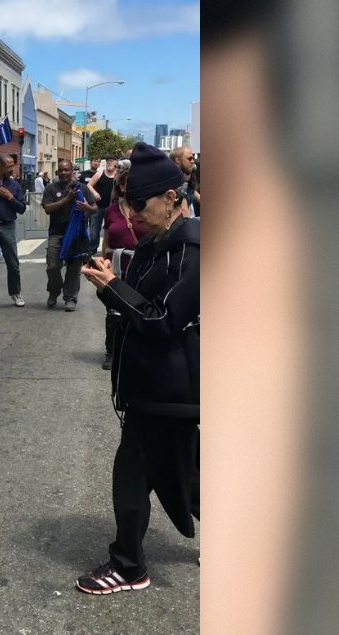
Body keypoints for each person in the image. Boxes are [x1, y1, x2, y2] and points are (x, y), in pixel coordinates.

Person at [77, 142, 199, 595]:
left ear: (172, 197)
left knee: (134, 474)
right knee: (185, 474)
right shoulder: (157, 244)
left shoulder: (193, 250)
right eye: (126, 204)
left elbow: (162, 320)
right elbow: (139, 306)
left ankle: (128, 565)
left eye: (139, 204)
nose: (131, 214)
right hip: (153, 386)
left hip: (170, 390)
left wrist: (112, 289)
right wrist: (112, 280)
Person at [97, 162, 150, 370]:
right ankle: (112, 351)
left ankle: (135, 348)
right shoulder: (111, 211)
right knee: (113, 310)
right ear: (120, 187)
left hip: (141, 266)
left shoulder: (145, 208)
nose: (131, 187)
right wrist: (102, 264)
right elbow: (107, 239)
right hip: (117, 266)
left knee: (138, 307)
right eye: (127, 184)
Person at [41, 159, 98, 311]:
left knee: (73, 268)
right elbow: (47, 208)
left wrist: (87, 207)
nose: (64, 173)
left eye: (67, 170)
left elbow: (95, 208)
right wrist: (66, 199)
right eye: (61, 170)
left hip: (76, 235)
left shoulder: (83, 189)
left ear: (72, 171)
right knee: (53, 266)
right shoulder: (51, 189)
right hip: (57, 234)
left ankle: (70, 297)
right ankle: (54, 292)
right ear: (57, 172)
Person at [0, 154, 27, 307]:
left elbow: (22, 208)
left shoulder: (15, 186)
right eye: (8, 166)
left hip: (8, 227)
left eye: (12, 166)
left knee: (13, 263)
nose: (12, 169)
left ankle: (15, 293)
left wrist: (10, 197)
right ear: (0, 166)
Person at [85, 157, 120, 255]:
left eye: (112, 161)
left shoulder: (118, 175)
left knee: (111, 231)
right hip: (98, 207)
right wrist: (95, 193)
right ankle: (91, 252)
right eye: (108, 161)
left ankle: (109, 251)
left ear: (116, 164)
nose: (109, 163)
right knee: (94, 232)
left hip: (112, 208)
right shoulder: (100, 173)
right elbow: (89, 185)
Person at [171, 146, 199, 215]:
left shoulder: (188, 177)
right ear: (178, 160)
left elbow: (192, 191)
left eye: (193, 158)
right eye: (189, 159)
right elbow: (183, 210)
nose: (193, 161)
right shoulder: (172, 181)